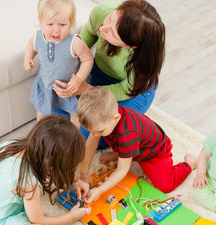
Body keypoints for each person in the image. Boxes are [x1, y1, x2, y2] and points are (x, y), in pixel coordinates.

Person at [53, 0, 165, 147]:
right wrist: (73, 63)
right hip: (99, 74)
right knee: (57, 109)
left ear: (129, 46)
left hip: (131, 92)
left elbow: (125, 90)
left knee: (92, 132)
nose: (103, 28)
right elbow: (88, 33)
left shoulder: (144, 59)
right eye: (111, 18)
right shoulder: (102, 11)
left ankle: (136, 123)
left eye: (112, 32)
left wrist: (86, 89)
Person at [76, 87, 197, 201]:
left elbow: (122, 170)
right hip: (134, 144)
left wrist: (100, 190)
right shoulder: (105, 120)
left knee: (165, 185)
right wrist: (83, 173)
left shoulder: (127, 134)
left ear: (116, 118)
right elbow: (91, 144)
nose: (95, 134)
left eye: (100, 131)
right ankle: (122, 154)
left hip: (154, 151)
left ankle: (190, 164)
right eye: (92, 131)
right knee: (106, 139)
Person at [24, 0, 93, 127]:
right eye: (50, 24)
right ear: (40, 21)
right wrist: (28, 57)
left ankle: (73, 139)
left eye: (62, 25)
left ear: (70, 23)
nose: (56, 30)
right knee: (42, 113)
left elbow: (88, 60)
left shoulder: (74, 42)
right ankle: (40, 135)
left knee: (75, 114)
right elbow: (31, 45)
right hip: (47, 84)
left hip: (69, 86)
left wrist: (78, 79)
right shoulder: (38, 36)